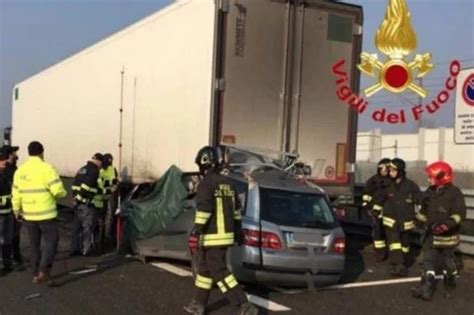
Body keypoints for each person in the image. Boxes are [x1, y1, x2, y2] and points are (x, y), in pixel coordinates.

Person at [183, 146, 258, 315]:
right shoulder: (229, 184)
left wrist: (196, 230)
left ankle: (243, 305)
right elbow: (237, 212)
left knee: (219, 271)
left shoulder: (205, 184)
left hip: (212, 236)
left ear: (205, 164)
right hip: (226, 235)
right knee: (204, 270)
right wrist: (238, 234)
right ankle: (198, 304)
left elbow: (205, 209)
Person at [12, 141, 67, 284]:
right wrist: (63, 193)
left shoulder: (20, 171)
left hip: (28, 215)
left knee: (34, 245)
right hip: (46, 215)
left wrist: (16, 210)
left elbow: (16, 194)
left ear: (29, 152)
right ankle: (44, 270)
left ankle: (36, 274)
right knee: (51, 243)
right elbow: (58, 191)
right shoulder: (47, 168)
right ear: (42, 152)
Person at [411, 161, 466, 301]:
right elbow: (423, 211)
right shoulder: (429, 192)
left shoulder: (455, 193)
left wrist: (445, 226)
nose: (428, 179)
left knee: (448, 262)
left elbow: (460, 214)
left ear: (441, 177)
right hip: (430, 234)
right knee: (428, 260)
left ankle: (449, 283)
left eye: (431, 176)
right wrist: (417, 220)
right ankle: (425, 288)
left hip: (448, 237)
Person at [373, 158, 421, 277]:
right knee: (394, 243)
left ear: (400, 171)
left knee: (405, 245)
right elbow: (379, 199)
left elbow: (420, 200)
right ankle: (399, 266)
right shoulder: (386, 185)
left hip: (406, 222)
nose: (390, 172)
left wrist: (421, 216)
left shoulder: (411, 186)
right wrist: (375, 211)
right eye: (390, 170)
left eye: (393, 170)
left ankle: (402, 263)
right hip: (391, 222)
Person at [71, 153, 103, 256]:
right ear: (98, 161)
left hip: (78, 204)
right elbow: (85, 187)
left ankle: (74, 249)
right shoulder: (94, 171)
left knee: (76, 227)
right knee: (87, 228)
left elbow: (75, 185)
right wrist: (80, 199)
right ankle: (86, 250)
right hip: (86, 203)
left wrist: (76, 199)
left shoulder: (82, 169)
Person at [362, 158, 391, 262]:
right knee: (378, 233)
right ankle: (380, 253)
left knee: (391, 233)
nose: (384, 170)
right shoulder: (373, 181)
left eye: (386, 168)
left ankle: (393, 254)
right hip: (376, 213)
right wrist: (368, 207)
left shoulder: (393, 181)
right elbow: (366, 195)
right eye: (382, 168)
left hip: (390, 212)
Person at [2, 144, 23, 267]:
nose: (16, 154)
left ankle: (13, 256)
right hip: (9, 209)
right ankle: (13, 257)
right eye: (14, 152)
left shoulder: (13, 168)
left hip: (11, 207)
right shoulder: (9, 171)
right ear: (10, 155)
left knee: (12, 234)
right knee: (10, 235)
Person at [0, 148, 14, 275]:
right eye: (1, 161)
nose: (4, 162)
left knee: (7, 239)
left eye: (4, 160)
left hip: (8, 213)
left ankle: (7, 263)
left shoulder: (5, 174)